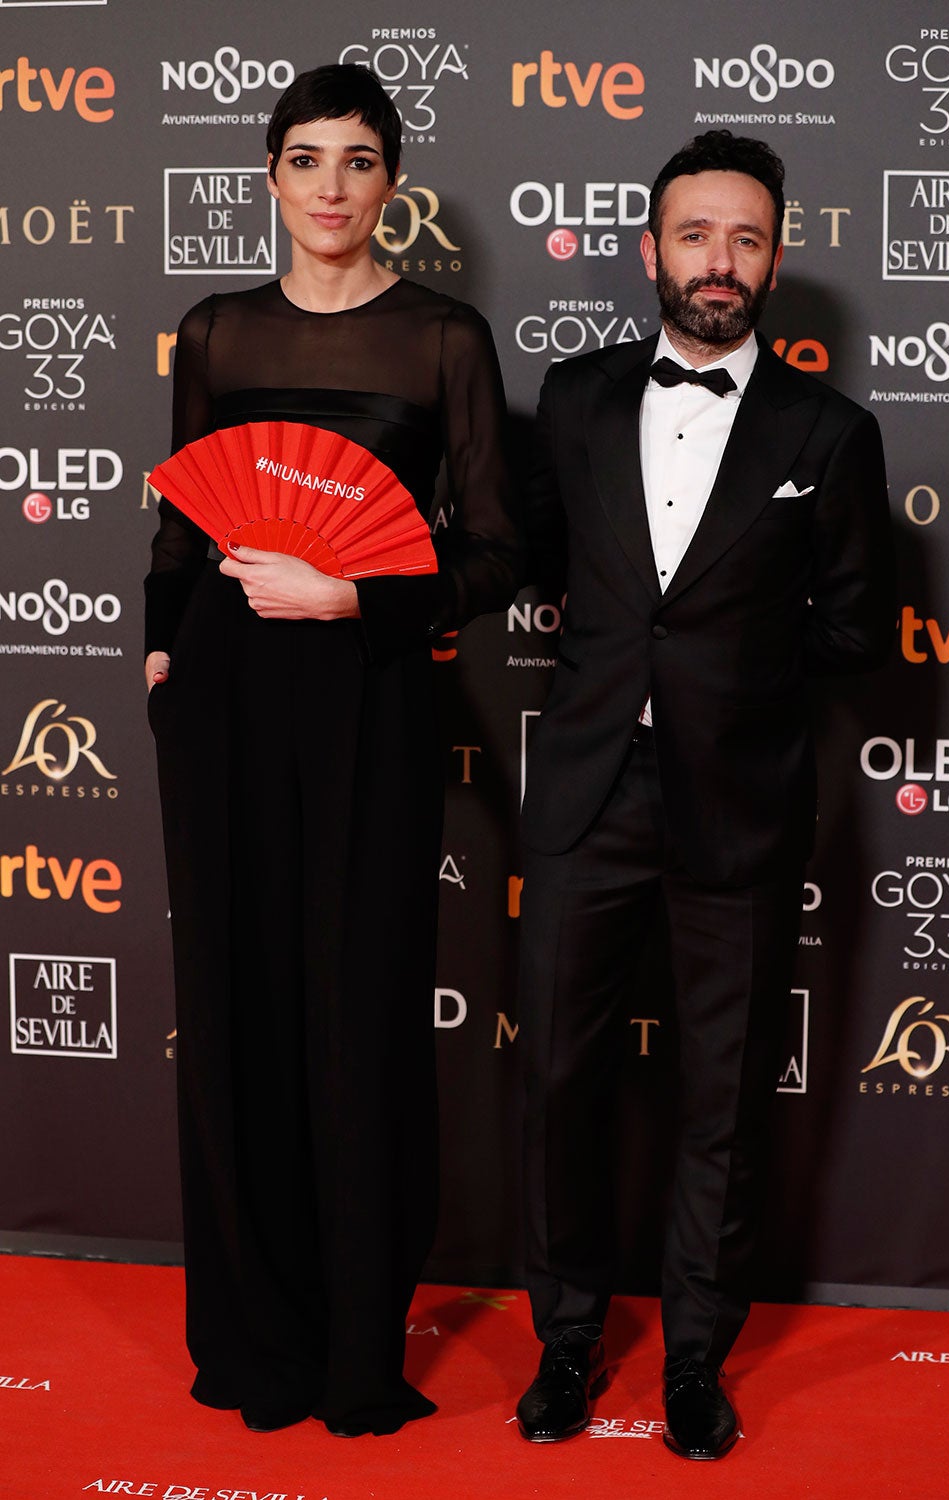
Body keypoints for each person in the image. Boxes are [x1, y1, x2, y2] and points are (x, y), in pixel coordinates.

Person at [144, 63, 518, 1438]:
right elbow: (181, 531)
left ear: (393, 186)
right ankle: (255, 1337)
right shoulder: (216, 330)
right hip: (225, 701)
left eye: (359, 162)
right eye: (306, 160)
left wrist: (358, 595)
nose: (331, 188)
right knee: (236, 1006)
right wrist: (159, 652)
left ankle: (362, 1342)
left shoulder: (443, 340)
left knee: (357, 1014)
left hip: (371, 695)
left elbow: (492, 551)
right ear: (270, 177)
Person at [514, 130, 895, 1460]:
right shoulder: (570, 401)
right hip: (584, 793)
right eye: (695, 235)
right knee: (561, 1078)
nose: (718, 262)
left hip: (740, 804)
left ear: (776, 259)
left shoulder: (831, 434)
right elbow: (535, 565)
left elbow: (858, 631)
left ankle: (691, 1359)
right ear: (652, 251)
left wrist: (732, 662)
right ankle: (564, 1344)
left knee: (719, 1096)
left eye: (744, 239)